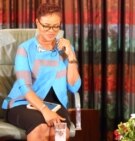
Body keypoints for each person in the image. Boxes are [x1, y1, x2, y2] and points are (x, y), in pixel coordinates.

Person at [1, 3, 81, 141]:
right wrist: (45, 110)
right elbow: (25, 87)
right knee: (40, 129)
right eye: (46, 26)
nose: (51, 31)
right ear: (37, 23)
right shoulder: (25, 49)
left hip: (56, 104)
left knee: (59, 132)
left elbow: (74, 86)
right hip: (22, 102)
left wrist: (71, 56)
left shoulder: (65, 48)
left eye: (56, 26)